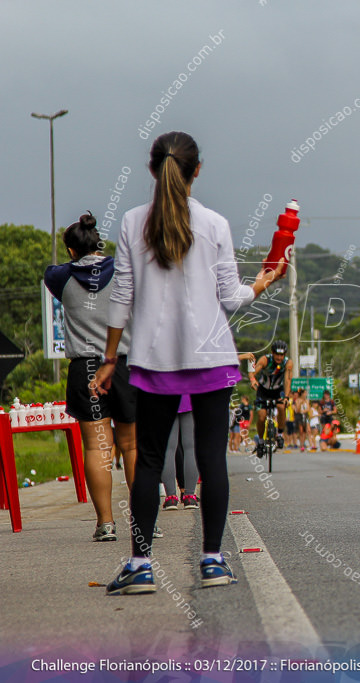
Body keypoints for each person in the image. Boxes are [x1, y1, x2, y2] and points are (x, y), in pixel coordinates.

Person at [91, 131, 285, 595]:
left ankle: (140, 565)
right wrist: (262, 283)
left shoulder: (133, 222)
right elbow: (230, 297)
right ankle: (213, 561)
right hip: (212, 356)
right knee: (211, 457)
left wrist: (109, 358)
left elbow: (121, 297)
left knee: (151, 461)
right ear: (197, 170)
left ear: (153, 169)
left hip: (155, 362)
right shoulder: (215, 224)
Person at [44, 211, 138, 542]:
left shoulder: (59, 278)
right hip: (124, 364)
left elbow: (54, 271)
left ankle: (106, 523)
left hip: (85, 368)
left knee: (99, 448)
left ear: (71, 250)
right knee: (131, 445)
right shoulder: (124, 272)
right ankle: (143, 521)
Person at [248, 340, 292, 452]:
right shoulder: (265, 359)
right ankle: (261, 442)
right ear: (272, 353)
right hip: (263, 390)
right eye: (277, 354)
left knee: (282, 407)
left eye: (282, 355)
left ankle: (280, 434)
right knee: (262, 416)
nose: (279, 357)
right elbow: (253, 371)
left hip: (278, 390)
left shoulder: (288, 363)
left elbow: (287, 380)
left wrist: (286, 396)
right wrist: (253, 380)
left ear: (285, 354)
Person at [161, 395, 200, 511]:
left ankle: (171, 498)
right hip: (189, 396)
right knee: (190, 448)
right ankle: (190, 496)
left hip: (164, 395)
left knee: (168, 449)